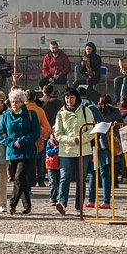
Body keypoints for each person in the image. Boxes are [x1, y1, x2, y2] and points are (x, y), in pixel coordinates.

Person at [0, 89, 41, 215]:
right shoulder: (6, 116)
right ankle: (27, 205)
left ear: (22, 102)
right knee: (21, 181)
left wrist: (21, 141)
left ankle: (12, 203)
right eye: (12, 102)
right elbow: (0, 134)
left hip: (26, 151)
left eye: (17, 102)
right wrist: (11, 142)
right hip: (12, 152)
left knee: (19, 177)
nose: (14, 104)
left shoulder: (31, 114)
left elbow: (35, 132)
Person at [54, 86, 94, 215]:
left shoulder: (85, 110)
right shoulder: (61, 113)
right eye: (66, 97)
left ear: (76, 98)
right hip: (66, 150)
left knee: (80, 179)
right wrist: (72, 140)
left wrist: (82, 139)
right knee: (64, 177)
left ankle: (79, 206)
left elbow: (92, 129)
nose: (69, 100)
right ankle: (62, 202)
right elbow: (58, 133)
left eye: (71, 97)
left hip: (83, 150)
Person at [25, 88, 51, 188]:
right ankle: (40, 180)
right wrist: (40, 134)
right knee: (40, 160)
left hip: (25, 139)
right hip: (37, 139)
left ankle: (28, 182)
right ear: (35, 97)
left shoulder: (21, 110)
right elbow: (47, 128)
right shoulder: (40, 110)